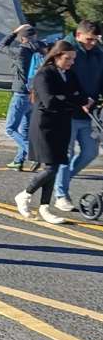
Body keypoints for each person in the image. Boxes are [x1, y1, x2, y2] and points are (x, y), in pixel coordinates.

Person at [15, 41, 92, 224]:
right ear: (56, 56)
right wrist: (74, 99)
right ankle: (25, 195)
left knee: (54, 165)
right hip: (45, 127)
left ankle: (44, 208)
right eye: (68, 58)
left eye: (73, 58)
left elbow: (81, 94)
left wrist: (77, 99)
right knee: (51, 167)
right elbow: (50, 101)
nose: (71, 62)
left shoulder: (69, 74)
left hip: (62, 125)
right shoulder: (44, 74)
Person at [51, 20, 103, 210]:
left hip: (89, 113)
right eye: (89, 39)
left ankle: (59, 180)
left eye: (96, 40)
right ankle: (61, 194)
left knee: (90, 152)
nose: (93, 43)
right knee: (66, 154)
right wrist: (78, 99)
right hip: (68, 111)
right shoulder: (66, 50)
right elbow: (59, 79)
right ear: (78, 35)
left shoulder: (98, 52)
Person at [0, 23, 47, 170]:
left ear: (23, 39)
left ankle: (32, 153)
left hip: (20, 93)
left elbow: (1, 45)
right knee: (24, 130)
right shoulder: (42, 49)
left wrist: (15, 31)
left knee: (10, 128)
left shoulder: (20, 51)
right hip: (34, 94)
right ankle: (18, 161)